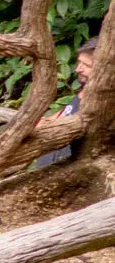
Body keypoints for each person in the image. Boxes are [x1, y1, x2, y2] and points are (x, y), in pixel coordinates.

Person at [35, 37, 98, 169]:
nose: (77, 69)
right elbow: (58, 117)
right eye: (79, 62)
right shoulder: (85, 91)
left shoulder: (103, 104)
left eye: (86, 65)